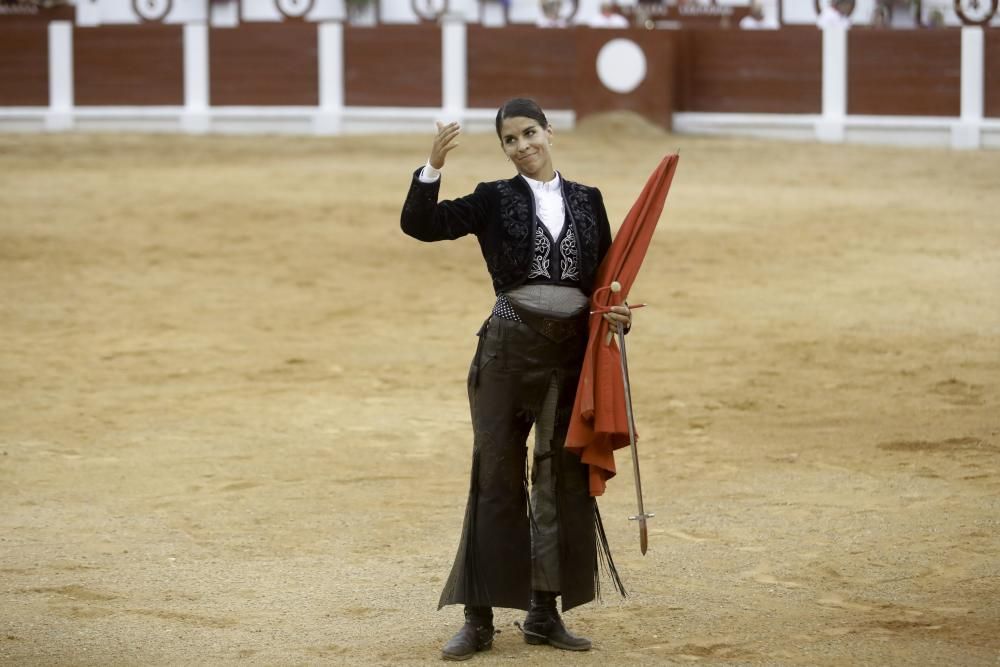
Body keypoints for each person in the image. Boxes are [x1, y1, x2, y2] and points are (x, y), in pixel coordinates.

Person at [400, 98, 631, 661]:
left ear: (550, 132)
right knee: (496, 474)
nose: (523, 145)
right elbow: (422, 225)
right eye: (510, 140)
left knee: (558, 480)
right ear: (503, 148)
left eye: (530, 133)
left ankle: (543, 614)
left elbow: (605, 277)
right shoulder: (492, 197)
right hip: (507, 349)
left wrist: (616, 313)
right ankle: (478, 619)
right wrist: (432, 166)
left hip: (568, 355)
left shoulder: (588, 199)